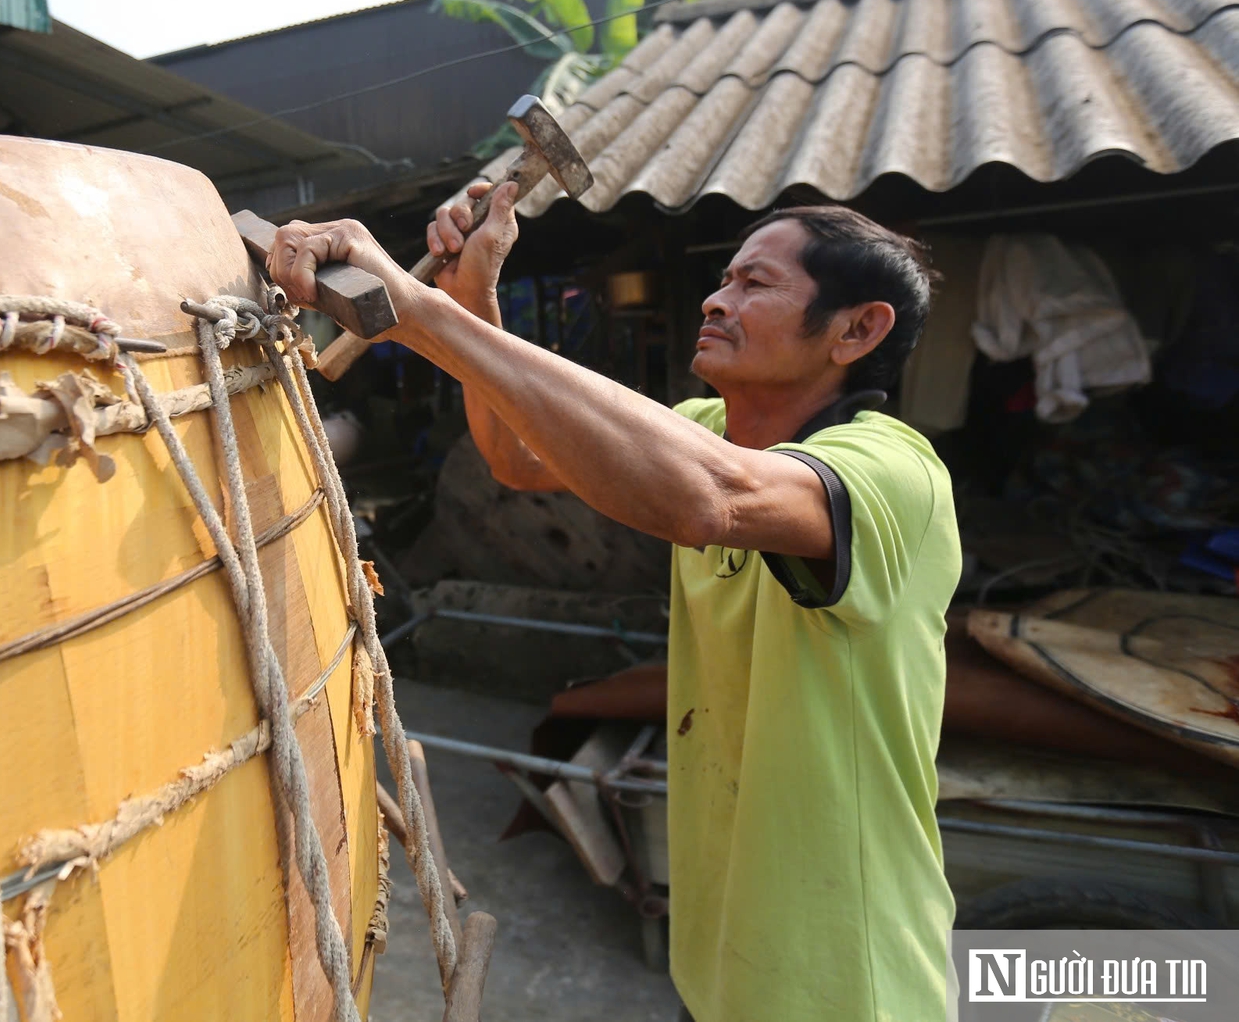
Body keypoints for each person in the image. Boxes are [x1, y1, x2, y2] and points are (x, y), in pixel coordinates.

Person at [267, 185, 959, 1022]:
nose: (716, 297)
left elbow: (707, 495)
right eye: (725, 279)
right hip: (721, 965)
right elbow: (521, 459)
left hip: (848, 976)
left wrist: (410, 310)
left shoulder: (893, 470)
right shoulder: (710, 426)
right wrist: (471, 299)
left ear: (858, 329)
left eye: (755, 284)